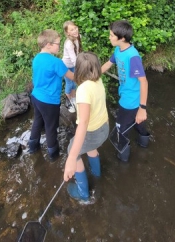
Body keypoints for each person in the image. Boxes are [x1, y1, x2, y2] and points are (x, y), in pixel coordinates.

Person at [101, 20, 150, 162]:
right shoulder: (118, 50)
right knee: (138, 122)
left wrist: (142, 108)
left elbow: (144, 82)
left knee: (120, 130)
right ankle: (144, 142)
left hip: (131, 100)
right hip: (126, 95)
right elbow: (108, 65)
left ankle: (123, 158)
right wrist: (92, 75)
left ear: (121, 38)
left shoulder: (132, 56)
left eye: (111, 35)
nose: (109, 37)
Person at [63, 51, 109, 202]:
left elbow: (83, 123)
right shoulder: (98, 80)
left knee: (72, 150)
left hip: (93, 132)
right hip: (104, 128)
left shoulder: (83, 90)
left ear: (78, 70)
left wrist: (71, 158)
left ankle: (83, 194)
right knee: (90, 147)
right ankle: (97, 173)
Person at [28, 29, 74, 161]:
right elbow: (72, 77)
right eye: (58, 44)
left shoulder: (37, 58)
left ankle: (32, 148)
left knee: (37, 121)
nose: (59, 46)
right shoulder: (56, 62)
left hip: (36, 97)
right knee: (51, 127)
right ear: (48, 44)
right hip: (49, 101)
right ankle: (53, 155)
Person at [62, 21, 83, 113]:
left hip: (74, 64)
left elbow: (78, 52)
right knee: (69, 83)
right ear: (67, 33)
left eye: (75, 28)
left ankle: (74, 98)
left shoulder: (78, 37)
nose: (75, 30)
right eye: (72, 29)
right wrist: (82, 68)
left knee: (74, 82)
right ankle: (68, 100)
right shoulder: (69, 44)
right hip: (66, 66)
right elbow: (74, 59)